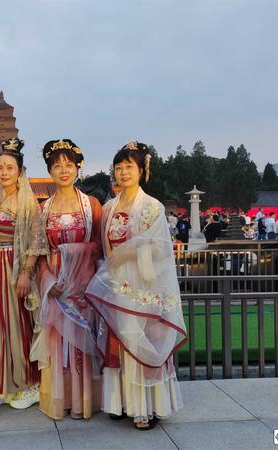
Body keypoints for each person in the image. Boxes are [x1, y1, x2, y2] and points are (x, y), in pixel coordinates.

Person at [85, 141, 186, 430]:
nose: (123, 172)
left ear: (142, 171)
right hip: (117, 282)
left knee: (142, 340)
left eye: (129, 166)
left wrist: (129, 253)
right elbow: (105, 248)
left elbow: (161, 249)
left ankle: (145, 407)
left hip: (143, 283)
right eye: (118, 167)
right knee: (119, 340)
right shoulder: (109, 207)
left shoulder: (152, 207)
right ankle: (120, 403)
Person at [0, 137, 47, 410]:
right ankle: (1, 385)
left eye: (9, 168)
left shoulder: (27, 202)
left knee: (16, 324)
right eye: (0, 168)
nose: (3, 172)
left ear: (20, 172)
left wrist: (26, 273)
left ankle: (26, 383)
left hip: (13, 268)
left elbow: (36, 240)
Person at [30, 139, 103, 420]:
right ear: (49, 170)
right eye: (57, 165)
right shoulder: (43, 208)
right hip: (56, 284)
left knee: (82, 342)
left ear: (78, 168)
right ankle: (62, 399)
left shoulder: (91, 205)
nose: (63, 170)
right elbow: (39, 252)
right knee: (58, 343)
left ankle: (84, 400)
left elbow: (99, 245)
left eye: (69, 165)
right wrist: (48, 280)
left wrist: (74, 252)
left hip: (83, 282)